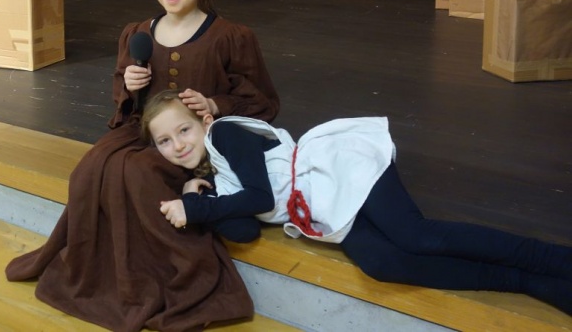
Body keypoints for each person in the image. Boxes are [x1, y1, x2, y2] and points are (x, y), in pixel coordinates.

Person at [6, 0, 280, 330]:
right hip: (146, 128)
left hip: (195, 142)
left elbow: (262, 102)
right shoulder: (138, 33)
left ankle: (167, 275)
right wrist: (130, 87)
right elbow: (123, 95)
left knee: (139, 171)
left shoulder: (230, 37)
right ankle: (98, 270)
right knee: (91, 167)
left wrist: (214, 105)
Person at [140, 90, 572, 316]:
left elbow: (262, 197)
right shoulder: (216, 180)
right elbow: (244, 229)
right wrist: (196, 194)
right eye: (165, 141)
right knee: (381, 262)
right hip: (325, 205)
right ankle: (529, 282)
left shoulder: (225, 136)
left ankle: (551, 259)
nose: (178, 145)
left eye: (184, 130)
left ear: (204, 121)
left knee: (414, 236)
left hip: (337, 168)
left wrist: (195, 210)